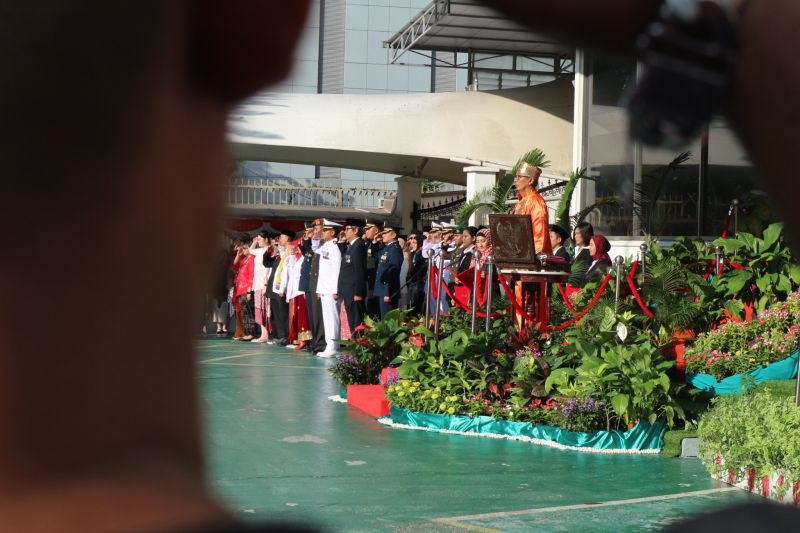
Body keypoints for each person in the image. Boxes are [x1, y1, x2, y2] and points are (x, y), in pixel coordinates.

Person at [512, 162, 553, 255]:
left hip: (531, 260)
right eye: (516, 176)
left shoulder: (536, 202)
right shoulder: (521, 202)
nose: (515, 180)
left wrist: (531, 256)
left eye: (519, 177)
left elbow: (539, 234)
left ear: (530, 181)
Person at [315, 220, 342, 358]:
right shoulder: (326, 245)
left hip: (331, 289)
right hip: (324, 288)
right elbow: (315, 249)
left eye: (325, 231)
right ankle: (329, 345)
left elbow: (337, 269)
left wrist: (335, 290)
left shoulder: (334, 247)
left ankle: (333, 346)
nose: (323, 232)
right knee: (326, 317)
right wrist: (315, 236)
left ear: (332, 232)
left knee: (332, 318)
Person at [337, 221, 367, 336]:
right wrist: (341, 241)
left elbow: (359, 270)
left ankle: (359, 348)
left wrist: (358, 292)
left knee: (356, 321)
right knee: (350, 320)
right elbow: (344, 256)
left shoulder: (359, 245)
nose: (345, 231)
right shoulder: (352, 245)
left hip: (353, 290)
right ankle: (355, 345)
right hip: (347, 289)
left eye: (348, 228)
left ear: (355, 231)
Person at [265, 229, 293, 346]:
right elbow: (267, 263)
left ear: (287, 238)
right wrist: (268, 252)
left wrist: (283, 288)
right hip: (274, 287)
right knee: (276, 314)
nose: (279, 240)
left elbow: (287, 271)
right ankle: (280, 336)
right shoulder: (279, 252)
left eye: (281, 237)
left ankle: (286, 336)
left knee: (283, 313)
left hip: (282, 288)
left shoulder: (291, 251)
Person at [285, 238, 312, 351]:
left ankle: (305, 339)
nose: (294, 249)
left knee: (303, 317)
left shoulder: (304, 258)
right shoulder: (297, 259)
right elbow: (289, 268)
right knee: (297, 316)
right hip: (294, 291)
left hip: (301, 291)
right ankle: (298, 338)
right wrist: (291, 254)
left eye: (295, 247)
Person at [373, 227, 404, 318]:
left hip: (388, 290)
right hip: (382, 290)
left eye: (386, 233)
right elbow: (376, 255)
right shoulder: (387, 248)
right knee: (384, 318)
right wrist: (375, 242)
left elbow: (393, 272)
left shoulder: (394, 249)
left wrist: (388, 292)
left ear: (394, 235)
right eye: (383, 233)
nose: (383, 235)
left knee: (388, 319)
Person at [250, 232, 272, 343]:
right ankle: (263, 333)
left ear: (266, 239)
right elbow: (250, 250)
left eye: (260, 239)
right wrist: (254, 241)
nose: (258, 241)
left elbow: (268, 268)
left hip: (264, 283)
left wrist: (265, 284)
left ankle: (266, 334)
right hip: (257, 283)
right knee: (259, 308)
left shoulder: (269, 250)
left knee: (265, 308)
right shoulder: (259, 250)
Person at [232, 242, 256, 341]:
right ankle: (246, 332)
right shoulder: (244, 259)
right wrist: (238, 254)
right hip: (240, 289)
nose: (244, 250)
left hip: (246, 288)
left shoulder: (252, 259)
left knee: (248, 312)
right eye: (243, 249)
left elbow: (252, 274)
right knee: (244, 312)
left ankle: (250, 333)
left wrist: (249, 289)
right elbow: (234, 266)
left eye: (245, 248)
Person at [453, 226, 478, 306]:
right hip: (460, 287)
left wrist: (463, 278)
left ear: (473, 238)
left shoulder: (475, 253)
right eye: (463, 236)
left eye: (466, 236)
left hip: (469, 288)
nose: (463, 239)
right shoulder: (464, 251)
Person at [363, 221, 383, 318]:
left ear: (376, 231)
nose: (365, 231)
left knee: (373, 309)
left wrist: (372, 287)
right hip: (366, 279)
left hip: (373, 281)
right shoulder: (368, 243)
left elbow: (378, 265)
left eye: (368, 229)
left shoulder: (380, 244)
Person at [405, 232, 427, 316]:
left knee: (416, 304)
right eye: (411, 242)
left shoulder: (421, 254)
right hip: (411, 281)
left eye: (415, 243)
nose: (412, 244)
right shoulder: (413, 253)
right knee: (410, 303)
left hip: (418, 282)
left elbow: (417, 268)